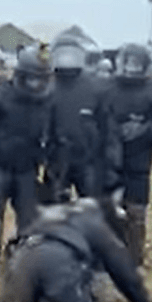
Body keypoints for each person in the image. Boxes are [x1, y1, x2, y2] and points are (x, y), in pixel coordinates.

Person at [1, 198, 152, 302]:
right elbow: (121, 267)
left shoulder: (50, 213)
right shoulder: (93, 222)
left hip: (22, 257)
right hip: (58, 262)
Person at [0, 46, 52, 297]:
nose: (36, 83)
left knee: (31, 227)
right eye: (32, 77)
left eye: (41, 77)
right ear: (20, 74)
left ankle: (27, 282)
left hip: (26, 171)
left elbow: (49, 136)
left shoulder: (45, 102)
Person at [103, 43, 152, 265]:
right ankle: (108, 256)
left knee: (136, 211)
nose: (131, 68)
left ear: (144, 65)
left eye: (136, 63)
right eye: (128, 63)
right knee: (108, 208)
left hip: (140, 157)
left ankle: (134, 259)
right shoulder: (105, 88)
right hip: (107, 158)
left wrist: (144, 130)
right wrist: (114, 130)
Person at [44, 34, 110, 204]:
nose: (67, 59)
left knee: (92, 207)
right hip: (55, 159)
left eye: (71, 54)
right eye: (62, 54)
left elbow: (106, 125)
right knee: (53, 209)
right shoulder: (46, 87)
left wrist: (106, 158)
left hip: (88, 159)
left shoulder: (94, 88)